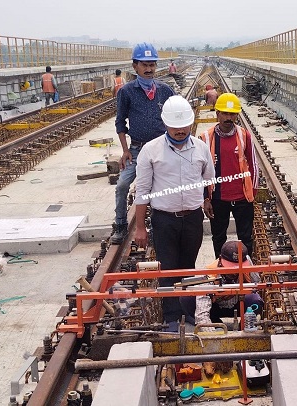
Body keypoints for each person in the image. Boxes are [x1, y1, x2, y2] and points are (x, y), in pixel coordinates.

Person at [134, 95, 215, 325]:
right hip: (164, 219)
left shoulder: (201, 148)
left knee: (188, 267)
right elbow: (142, 191)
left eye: (184, 126)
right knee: (167, 268)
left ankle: (187, 313)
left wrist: (207, 200)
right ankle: (171, 318)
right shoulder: (151, 151)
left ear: (190, 123)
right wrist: (140, 227)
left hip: (192, 219)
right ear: (165, 124)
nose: (180, 131)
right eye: (175, 126)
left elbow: (209, 179)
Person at [111, 43, 175, 244]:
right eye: (144, 65)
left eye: (152, 65)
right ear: (135, 66)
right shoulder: (127, 92)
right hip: (137, 149)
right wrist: (125, 150)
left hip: (162, 148)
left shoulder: (165, 91)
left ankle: (159, 226)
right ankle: (120, 225)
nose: (149, 69)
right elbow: (120, 122)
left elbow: (175, 119)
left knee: (162, 187)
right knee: (122, 185)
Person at [200, 93, 259, 258]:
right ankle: (222, 269)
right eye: (224, 113)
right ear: (217, 113)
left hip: (242, 198)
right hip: (218, 198)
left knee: (246, 238)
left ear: (236, 115)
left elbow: (254, 165)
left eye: (232, 114)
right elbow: (200, 172)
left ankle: (246, 270)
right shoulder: (205, 138)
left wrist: (252, 193)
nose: (228, 118)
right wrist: (205, 199)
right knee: (218, 238)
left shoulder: (244, 135)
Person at [180, 240, 264, 328]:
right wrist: (212, 334)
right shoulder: (209, 274)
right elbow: (202, 313)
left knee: (255, 299)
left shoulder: (247, 264)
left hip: (238, 305)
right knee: (187, 298)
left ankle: (244, 325)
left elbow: (258, 286)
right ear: (220, 259)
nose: (235, 271)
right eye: (231, 267)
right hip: (216, 307)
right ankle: (215, 322)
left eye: (239, 266)